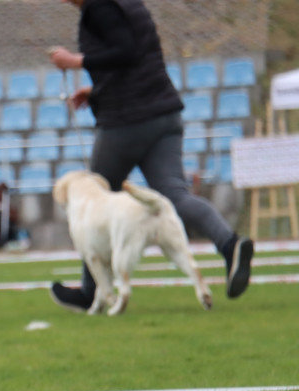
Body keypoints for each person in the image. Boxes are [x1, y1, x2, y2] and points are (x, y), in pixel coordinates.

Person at [47, 0, 253, 311]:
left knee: (93, 201)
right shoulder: (130, 4)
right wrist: (96, 90)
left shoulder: (100, 7)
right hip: (163, 113)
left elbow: (124, 51)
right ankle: (229, 244)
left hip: (125, 122)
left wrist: (75, 61)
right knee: (174, 194)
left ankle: (93, 291)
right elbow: (134, 60)